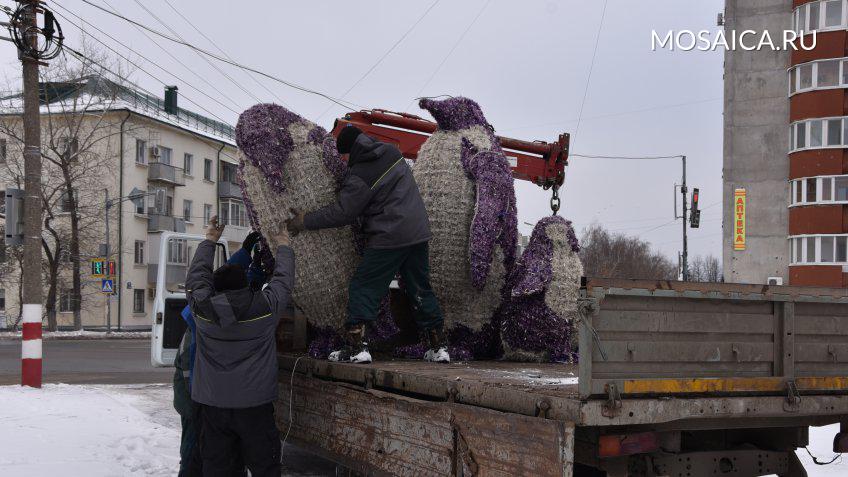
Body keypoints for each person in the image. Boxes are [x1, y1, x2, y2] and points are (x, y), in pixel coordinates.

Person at [288, 125, 449, 364]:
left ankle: (357, 347)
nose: (342, 161)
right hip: (417, 232)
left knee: (364, 286)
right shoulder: (392, 153)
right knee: (419, 288)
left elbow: (343, 213)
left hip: (389, 235)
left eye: (343, 156)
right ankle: (438, 347)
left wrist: (304, 221)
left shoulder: (360, 174)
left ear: (350, 151)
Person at [186, 216, 293, 476]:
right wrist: (284, 245)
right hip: (255, 408)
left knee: (218, 467)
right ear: (245, 285)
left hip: (213, 407)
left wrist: (210, 239)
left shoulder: (201, 309)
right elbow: (283, 281)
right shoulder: (264, 308)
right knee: (265, 467)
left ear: (215, 288)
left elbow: (197, 276)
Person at [173, 231, 267, 477]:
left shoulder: (206, 302)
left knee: (220, 455)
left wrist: (247, 254)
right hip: (196, 393)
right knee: (196, 452)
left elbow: (228, 277)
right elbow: (234, 283)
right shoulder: (204, 314)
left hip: (206, 393)